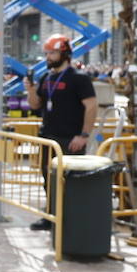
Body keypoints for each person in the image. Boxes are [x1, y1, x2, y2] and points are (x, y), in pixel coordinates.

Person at [23, 34, 96, 232]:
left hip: (70, 139)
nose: (48, 56)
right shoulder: (46, 78)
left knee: (69, 181)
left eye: (52, 53)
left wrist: (83, 135)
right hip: (49, 137)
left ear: (64, 53)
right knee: (48, 178)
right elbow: (36, 104)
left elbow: (91, 107)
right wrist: (30, 90)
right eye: (47, 53)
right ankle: (51, 216)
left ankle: (70, 219)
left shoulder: (79, 79)